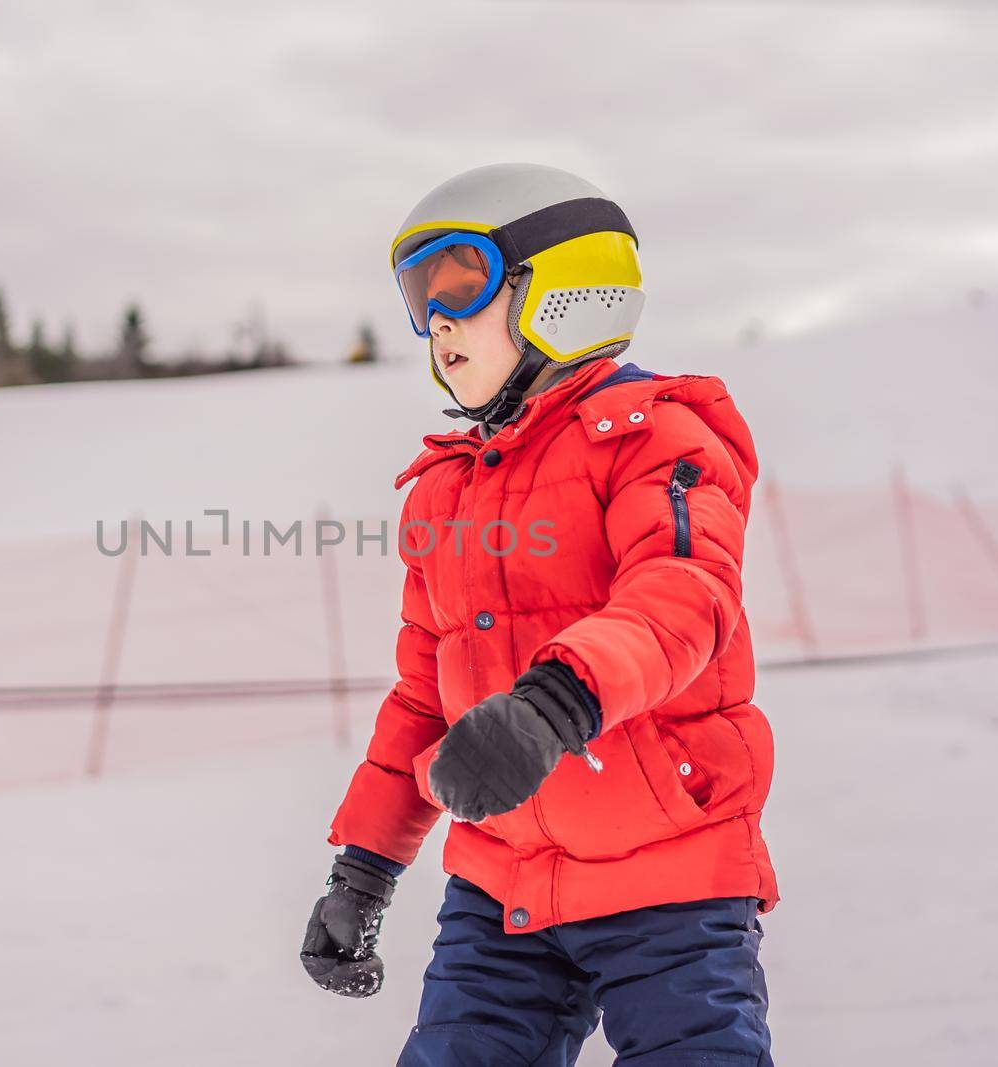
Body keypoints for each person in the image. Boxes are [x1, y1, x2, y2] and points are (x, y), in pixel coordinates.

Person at [299, 163, 779, 1066]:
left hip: (667, 870)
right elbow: (421, 700)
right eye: (418, 298)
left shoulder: (655, 437)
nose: (436, 321)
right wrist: (363, 867)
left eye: (459, 282)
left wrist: (552, 704)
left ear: (565, 287)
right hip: (502, 888)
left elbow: (683, 597)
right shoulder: (447, 486)